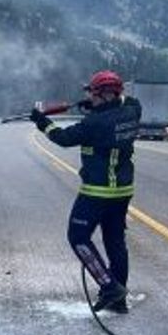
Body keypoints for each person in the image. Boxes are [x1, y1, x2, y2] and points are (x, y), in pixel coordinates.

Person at [30, 70, 141, 313]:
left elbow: (63, 137)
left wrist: (42, 122)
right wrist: (94, 105)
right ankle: (119, 301)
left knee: (78, 237)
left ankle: (109, 286)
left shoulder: (95, 124)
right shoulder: (132, 111)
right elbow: (126, 103)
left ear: (105, 94)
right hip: (123, 191)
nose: (90, 96)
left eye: (93, 92)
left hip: (97, 191)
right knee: (115, 242)